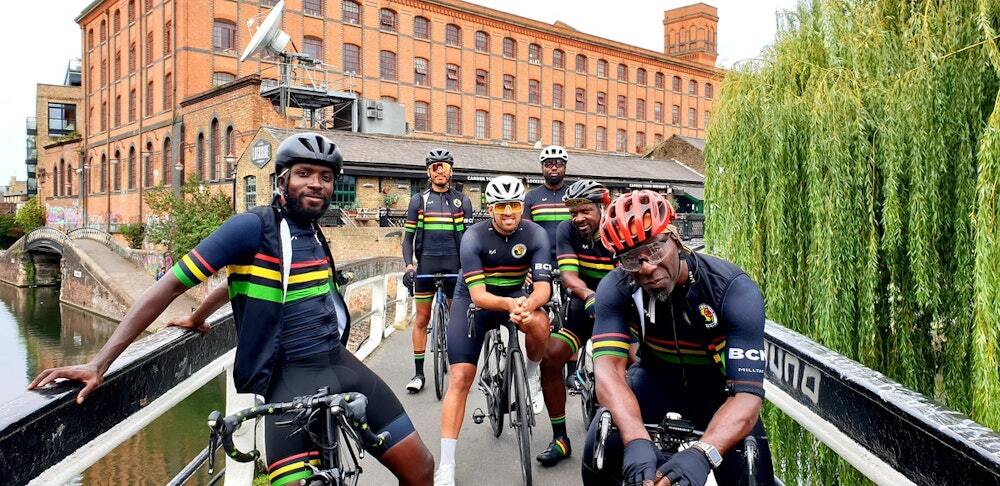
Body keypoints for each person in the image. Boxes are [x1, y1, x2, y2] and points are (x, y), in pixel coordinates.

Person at [29, 132, 434, 486]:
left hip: (340, 362)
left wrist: (199, 315)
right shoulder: (251, 227)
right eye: (304, 174)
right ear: (282, 181)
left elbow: (244, 281)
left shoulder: (311, 230)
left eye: (325, 177)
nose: (316, 184)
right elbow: (166, 287)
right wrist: (100, 363)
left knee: (420, 469)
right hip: (288, 377)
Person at [581, 190, 775, 486]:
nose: (646, 267)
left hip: (718, 391)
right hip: (653, 379)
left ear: (675, 238)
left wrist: (704, 453)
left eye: (655, 250)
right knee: (600, 447)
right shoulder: (616, 286)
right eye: (631, 259)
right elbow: (608, 371)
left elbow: (747, 396)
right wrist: (635, 438)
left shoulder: (732, 289)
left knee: (752, 476)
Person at [434, 175, 552, 486]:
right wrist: (509, 305)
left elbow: (543, 289)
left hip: (516, 295)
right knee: (459, 378)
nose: (509, 213)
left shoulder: (536, 234)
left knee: (540, 322)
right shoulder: (473, 237)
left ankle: (531, 371)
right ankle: (446, 464)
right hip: (476, 300)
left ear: (522, 206)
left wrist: (527, 305)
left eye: (514, 205)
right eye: (502, 207)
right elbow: (478, 296)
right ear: (491, 208)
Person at [536, 180, 613, 468]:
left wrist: (606, 299)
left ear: (601, 207)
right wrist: (589, 295)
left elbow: (628, 276)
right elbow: (568, 276)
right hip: (583, 303)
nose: (578, 218)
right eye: (573, 213)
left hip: (617, 305)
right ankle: (560, 439)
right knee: (551, 357)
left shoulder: (616, 227)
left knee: (633, 363)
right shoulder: (566, 230)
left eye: (585, 211)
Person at [401, 148, 473, 393]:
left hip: (455, 266)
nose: (440, 171)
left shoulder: (462, 201)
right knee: (421, 319)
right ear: (428, 172)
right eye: (435, 167)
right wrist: (409, 265)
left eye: (444, 166)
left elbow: (469, 239)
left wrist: (471, 267)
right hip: (426, 266)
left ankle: (458, 368)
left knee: (458, 322)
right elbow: (408, 237)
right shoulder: (418, 200)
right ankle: (419, 374)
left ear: (451, 170)